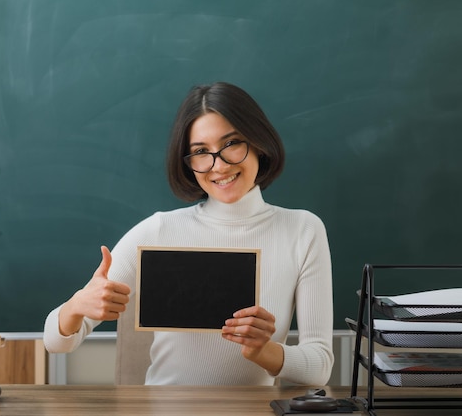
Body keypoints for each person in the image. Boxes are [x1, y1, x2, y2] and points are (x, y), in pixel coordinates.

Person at [44, 81, 334, 386]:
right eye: (200, 152)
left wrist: (265, 351)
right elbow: (56, 341)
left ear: (259, 143)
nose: (218, 165)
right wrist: (77, 305)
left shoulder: (303, 230)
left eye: (232, 143)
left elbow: (320, 367)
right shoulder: (158, 231)